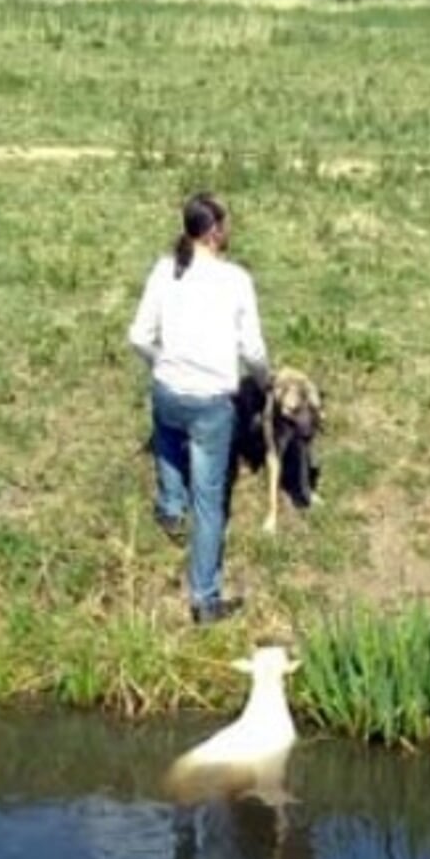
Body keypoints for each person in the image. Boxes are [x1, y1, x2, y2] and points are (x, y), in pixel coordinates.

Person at [127, 193, 270, 624]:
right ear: (214, 232)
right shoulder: (235, 281)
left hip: (167, 391)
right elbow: (253, 350)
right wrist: (265, 380)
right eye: (227, 223)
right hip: (211, 404)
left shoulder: (163, 270)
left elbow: (138, 336)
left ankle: (171, 510)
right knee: (211, 502)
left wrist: (163, 363)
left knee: (169, 445)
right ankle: (204, 598)